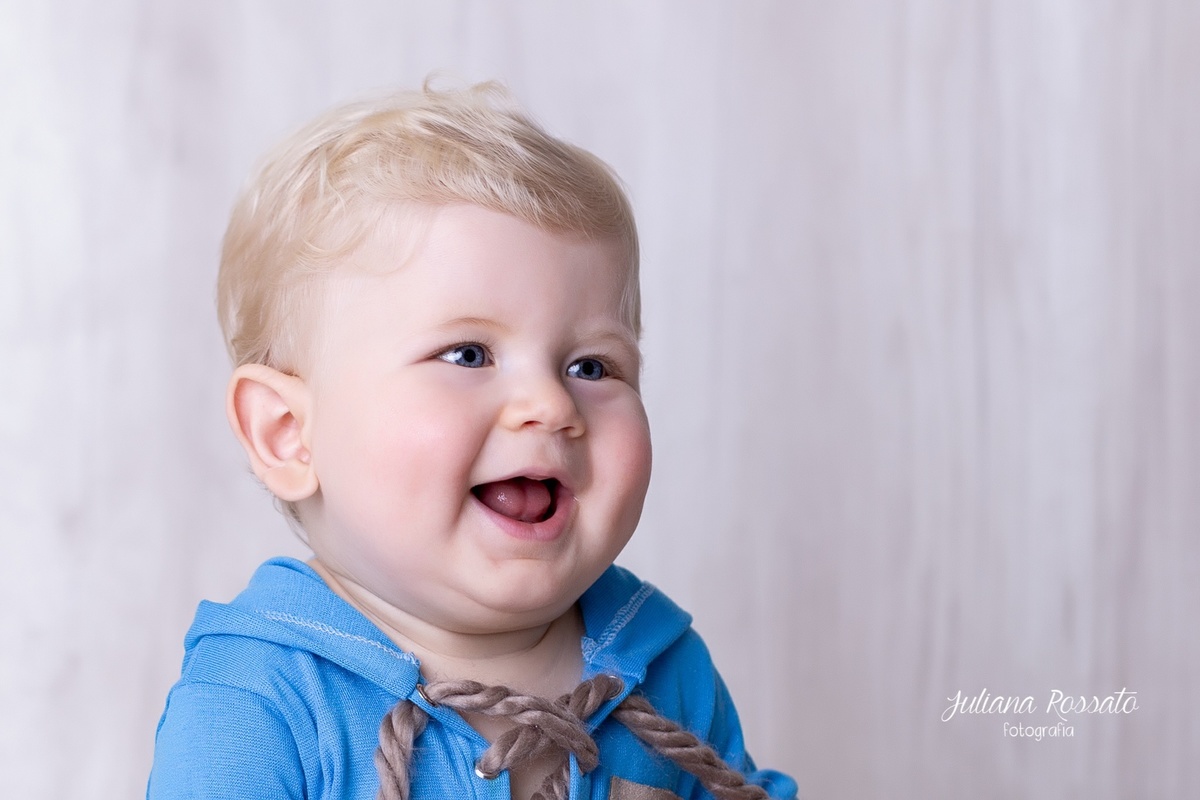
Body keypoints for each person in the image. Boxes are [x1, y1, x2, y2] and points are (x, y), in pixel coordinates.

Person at [147, 82, 798, 800]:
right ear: (291, 434)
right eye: (468, 355)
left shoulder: (661, 669)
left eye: (591, 366)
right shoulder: (258, 705)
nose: (551, 404)